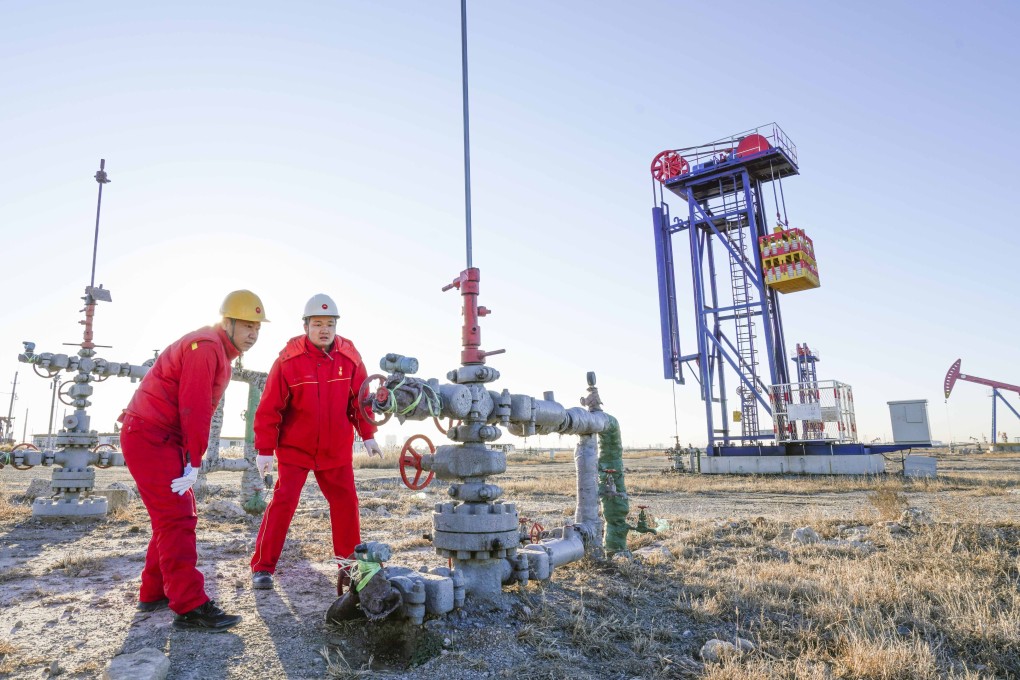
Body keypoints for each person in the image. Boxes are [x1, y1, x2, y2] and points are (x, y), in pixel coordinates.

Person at [120, 290, 268, 631]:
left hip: (156, 435)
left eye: (257, 327)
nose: (253, 334)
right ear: (226, 322)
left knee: (171, 516)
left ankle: (154, 591)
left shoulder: (217, 350)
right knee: (177, 517)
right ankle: (190, 605)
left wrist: (188, 456)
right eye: (246, 325)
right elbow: (195, 407)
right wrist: (195, 460)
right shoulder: (206, 348)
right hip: (151, 435)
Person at [250, 293, 382, 595]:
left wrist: (369, 434)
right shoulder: (288, 360)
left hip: (335, 450)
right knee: (283, 503)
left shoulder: (350, 358)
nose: (324, 330)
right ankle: (262, 567)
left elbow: (360, 402)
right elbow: (271, 407)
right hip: (295, 448)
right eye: (318, 324)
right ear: (306, 326)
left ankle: (349, 570)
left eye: (330, 324)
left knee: (346, 503)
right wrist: (264, 450)